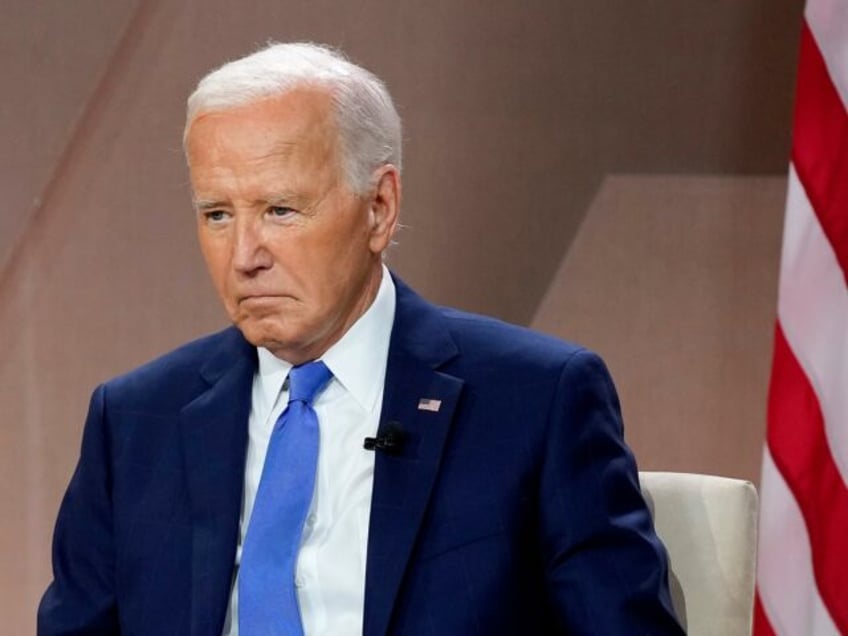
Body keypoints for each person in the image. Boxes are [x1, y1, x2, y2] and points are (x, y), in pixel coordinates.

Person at [38, 42, 683, 635]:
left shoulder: (536, 400)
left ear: (379, 208)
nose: (244, 256)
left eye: (279, 210)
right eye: (217, 215)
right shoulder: (132, 421)